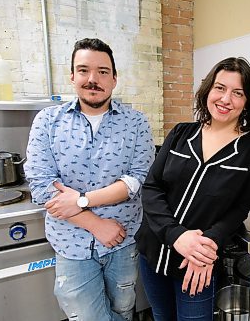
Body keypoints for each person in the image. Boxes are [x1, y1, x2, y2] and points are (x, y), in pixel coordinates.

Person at [24, 38, 155, 321]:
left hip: (123, 241)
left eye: (103, 71)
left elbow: (136, 180)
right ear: (72, 76)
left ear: (114, 79)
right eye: (83, 70)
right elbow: (41, 185)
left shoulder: (136, 123)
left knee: (123, 310)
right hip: (71, 244)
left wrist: (81, 200)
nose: (93, 79)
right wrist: (95, 224)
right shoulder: (47, 121)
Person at [135, 57, 250, 320]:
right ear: (208, 89)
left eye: (238, 93)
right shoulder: (180, 133)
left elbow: (239, 209)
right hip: (153, 254)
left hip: (197, 263)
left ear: (247, 102)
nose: (226, 99)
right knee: (162, 316)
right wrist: (176, 235)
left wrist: (207, 245)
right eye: (220, 88)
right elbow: (152, 188)